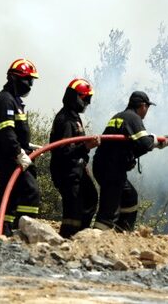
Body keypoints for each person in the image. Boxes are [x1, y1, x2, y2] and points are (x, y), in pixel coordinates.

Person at [92, 91, 168, 231]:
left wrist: (160, 143)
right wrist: (156, 141)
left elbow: (132, 147)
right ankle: (93, 239)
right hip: (111, 170)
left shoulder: (119, 116)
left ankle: (122, 232)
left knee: (130, 197)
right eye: (147, 107)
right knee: (108, 209)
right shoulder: (133, 118)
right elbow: (144, 143)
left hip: (106, 166)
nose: (147, 111)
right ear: (143, 106)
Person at [0, 58, 40, 236]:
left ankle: (7, 230)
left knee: (12, 194)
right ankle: (26, 230)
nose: (30, 85)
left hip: (15, 153)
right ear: (14, 78)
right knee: (30, 190)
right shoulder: (5, 100)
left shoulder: (15, 100)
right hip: (8, 156)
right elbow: (6, 132)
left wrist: (27, 146)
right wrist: (18, 152)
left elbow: (18, 132)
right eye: (28, 80)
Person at [49, 78, 100, 238]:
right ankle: (68, 239)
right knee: (73, 210)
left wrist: (84, 153)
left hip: (77, 169)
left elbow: (75, 145)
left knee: (91, 199)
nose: (87, 103)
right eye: (86, 98)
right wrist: (86, 147)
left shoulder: (74, 117)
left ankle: (80, 235)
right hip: (66, 172)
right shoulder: (64, 119)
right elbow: (63, 151)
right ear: (75, 96)